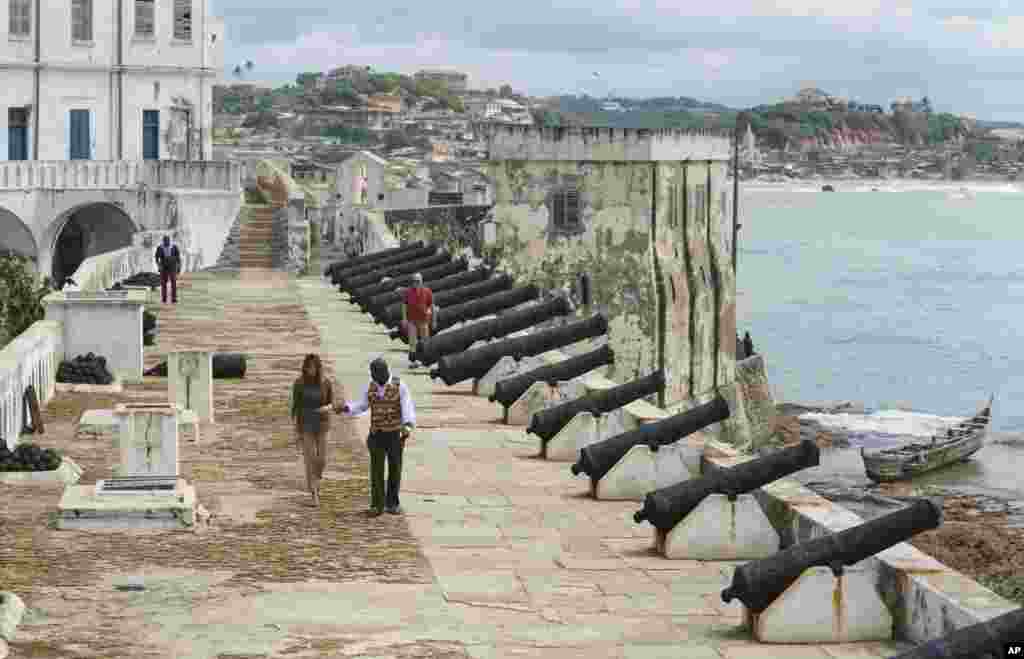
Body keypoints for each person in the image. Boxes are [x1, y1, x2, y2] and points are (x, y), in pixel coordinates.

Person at [335, 357, 415, 517]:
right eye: (373, 375)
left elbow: (407, 406)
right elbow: (362, 405)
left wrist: (408, 425)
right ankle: (376, 505)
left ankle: (392, 503)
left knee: (395, 468)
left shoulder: (400, 386)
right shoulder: (371, 387)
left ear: (385, 371)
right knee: (376, 470)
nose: (375, 378)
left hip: (394, 434)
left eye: (377, 374)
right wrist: (346, 408)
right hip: (377, 434)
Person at [290, 354, 339, 508]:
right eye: (308, 367)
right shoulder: (299, 383)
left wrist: (327, 408)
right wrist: (296, 430)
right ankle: (314, 492)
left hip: (322, 424)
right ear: (305, 368)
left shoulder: (325, 383)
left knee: (322, 459)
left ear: (318, 368)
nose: (311, 370)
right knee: (310, 459)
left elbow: (333, 403)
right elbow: (295, 407)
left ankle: (317, 479)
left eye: (314, 367)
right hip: (306, 425)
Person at [402, 273, 434, 366]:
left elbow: (431, 306)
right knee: (412, 341)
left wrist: (433, 319)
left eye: (418, 281)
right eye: (414, 281)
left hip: (424, 320)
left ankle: (424, 359)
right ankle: (414, 360)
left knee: (425, 341)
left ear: (422, 281)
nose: (416, 283)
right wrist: (404, 319)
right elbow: (404, 305)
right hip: (412, 320)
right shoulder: (408, 292)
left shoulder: (427, 291)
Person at [154, 235, 182, 304]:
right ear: (163, 241)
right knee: (163, 283)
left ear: (170, 241)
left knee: (173, 282)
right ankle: (164, 299)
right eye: (165, 241)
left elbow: (178, 258)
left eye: (168, 241)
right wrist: (159, 266)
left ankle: (174, 299)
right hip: (164, 266)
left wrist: (178, 267)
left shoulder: (174, 247)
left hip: (172, 266)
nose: (167, 242)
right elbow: (156, 257)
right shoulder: (160, 247)